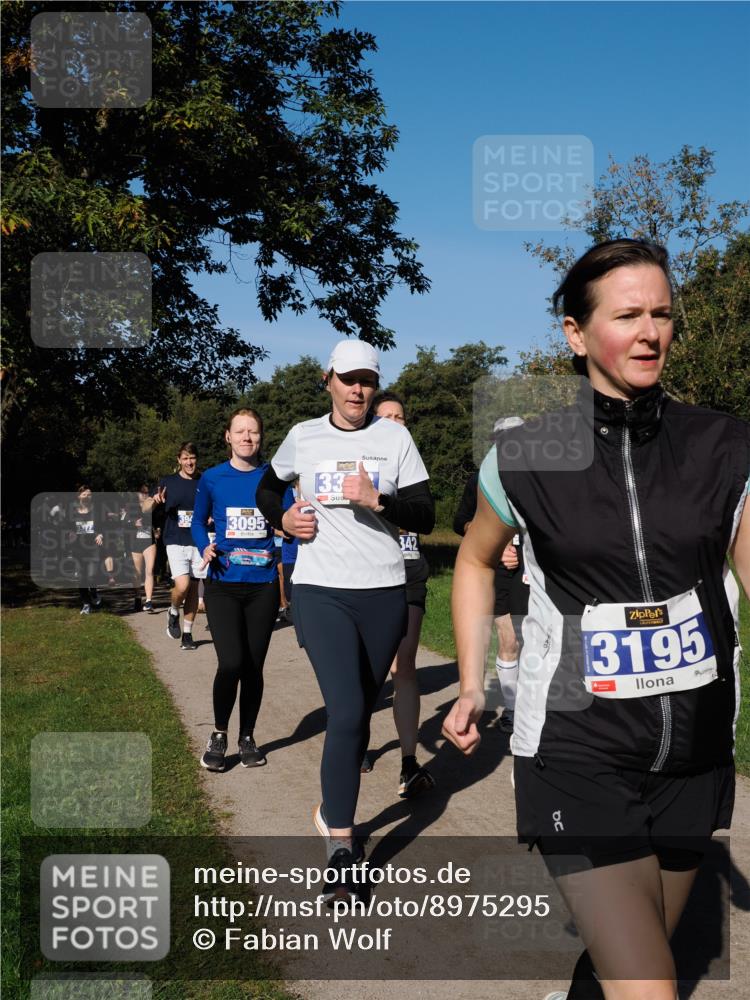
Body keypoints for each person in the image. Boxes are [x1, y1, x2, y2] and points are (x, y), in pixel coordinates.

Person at [442, 239, 750, 1000]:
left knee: (628, 959)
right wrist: (473, 680)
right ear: (576, 335)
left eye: (662, 314)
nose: (650, 333)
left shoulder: (725, 445)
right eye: (627, 316)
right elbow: (476, 561)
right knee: (649, 987)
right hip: (576, 749)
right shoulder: (523, 455)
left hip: (696, 753)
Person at [257, 339, 435, 902]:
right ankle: (342, 848)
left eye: (368, 380)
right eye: (349, 379)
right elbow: (267, 486)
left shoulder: (394, 437)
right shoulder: (304, 436)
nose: (359, 389)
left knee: (355, 716)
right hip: (319, 589)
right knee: (350, 709)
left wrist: (377, 500)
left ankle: (330, 810)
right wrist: (284, 518)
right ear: (329, 379)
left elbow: (426, 515)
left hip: (383, 592)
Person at [192, 408, 292, 772]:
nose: (247, 437)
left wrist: (288, 526)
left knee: (253, 666)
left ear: (261, 438)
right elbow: (197, 523)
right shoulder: (213, 478)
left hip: (263, 586)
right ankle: (219, 733)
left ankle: (246, 735)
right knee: (231, 661)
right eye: (240, 431)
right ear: (228, 436)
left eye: (253, 432)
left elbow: (290, 517)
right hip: (222, 584)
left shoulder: (274, 478)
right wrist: (204, 544)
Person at [361, 390, 435, 797]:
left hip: (409, 578)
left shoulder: (414, 468)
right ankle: (360, 743)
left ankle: (409, 762)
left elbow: (427, 518)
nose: (392, 422)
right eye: (385, 415)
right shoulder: (362, 465)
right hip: (367, 578)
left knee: (403, 664)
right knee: (368, 670)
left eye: (399, 417)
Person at [453, 466, 529, 733]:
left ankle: (537, 705)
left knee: (532, 640)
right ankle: (512, 709)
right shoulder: (482, 478)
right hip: (497, 570)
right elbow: (460, 521)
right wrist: (494, 543)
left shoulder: (541, 475)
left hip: (530, 570)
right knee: (509, 639)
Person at [152, 442, 206, 650]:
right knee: (182, 585)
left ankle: (187, 633)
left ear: (196, 459)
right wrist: (156, 501)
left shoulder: (205, 481)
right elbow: (146, 506)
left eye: (192, 457)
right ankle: (173, 609)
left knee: (193, 587)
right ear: (178, 460)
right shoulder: (168, 482)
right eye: (185, 458)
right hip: (175, 539)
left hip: (199, 540)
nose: (189, 462)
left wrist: (210, 516)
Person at [127, 485, 157, 612]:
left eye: (146, 493)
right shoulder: (132, 507)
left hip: (149, 542)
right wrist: (133, 523)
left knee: (149, 570)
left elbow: (159, 519)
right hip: (135, 542)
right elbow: (124, 523)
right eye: (142, 493)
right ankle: (138, 596)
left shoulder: (153, 506)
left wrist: (158, 529)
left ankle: (149, 600)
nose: (144, 495)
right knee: (137, 573)